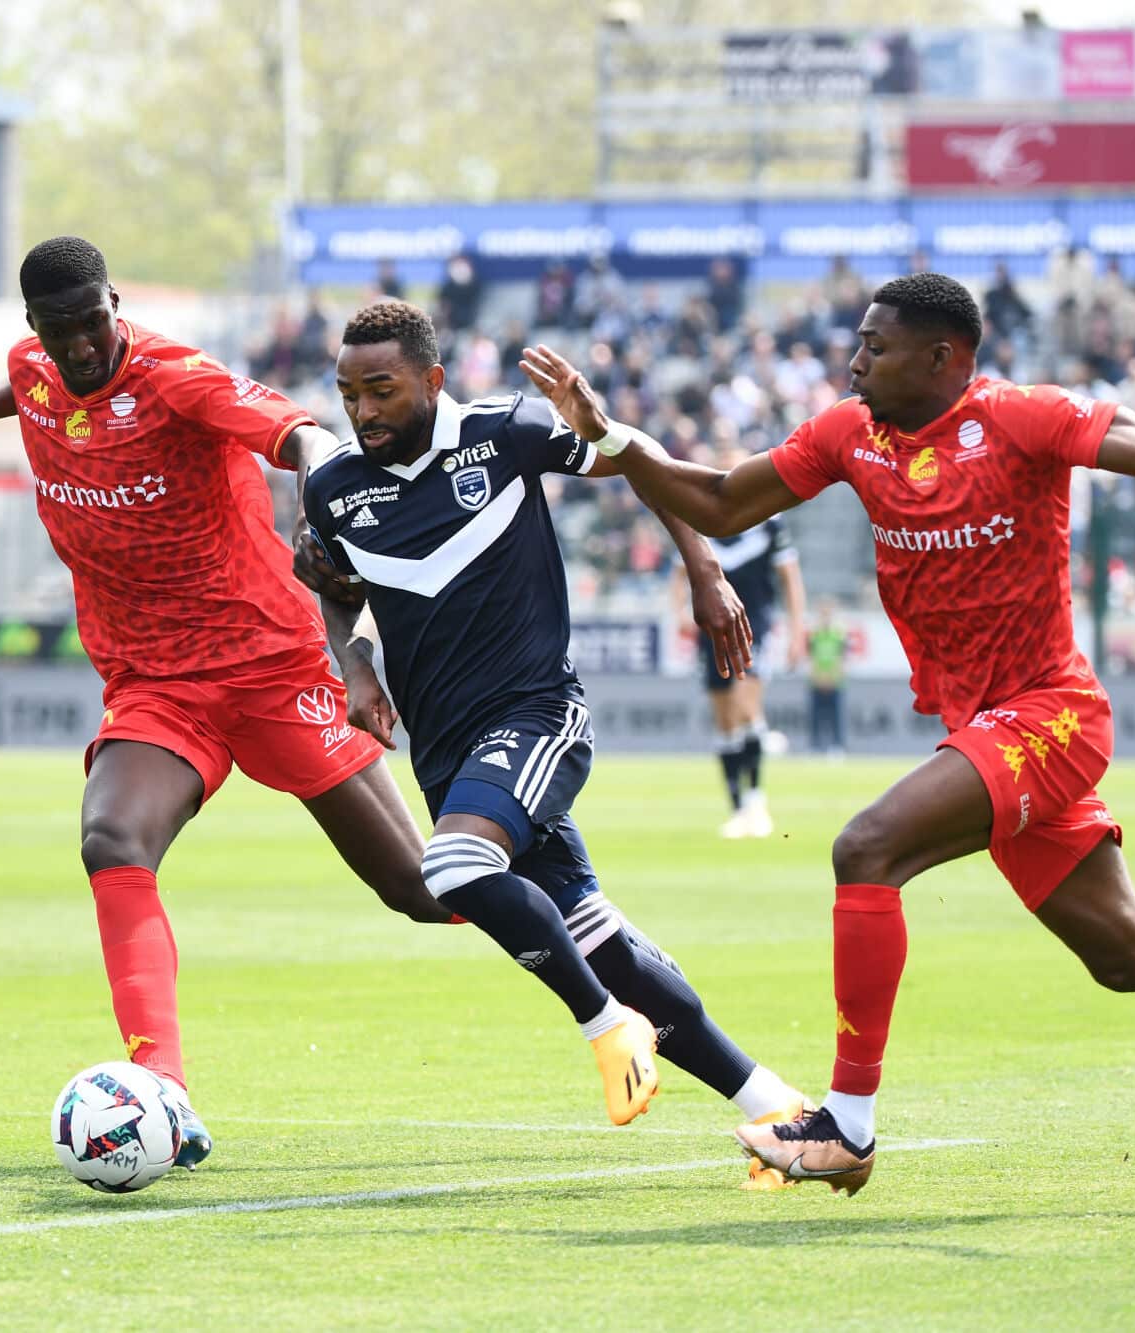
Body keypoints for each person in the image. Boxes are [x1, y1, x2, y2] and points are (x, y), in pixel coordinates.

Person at [521, 273, 1135, 1197]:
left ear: (943, 358)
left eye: (875, 349)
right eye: (857, 344)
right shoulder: (853, 432)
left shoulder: (1021, 417)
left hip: (1052, 714)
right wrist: (610, 436)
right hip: (988, 729)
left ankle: (848, 1124)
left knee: (868, 848)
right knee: (1130, 954)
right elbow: (721, 501)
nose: (853, 361)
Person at [0, 240, 752, 1169]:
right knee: (111, 840)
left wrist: (323, 500)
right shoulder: (36, 369)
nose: (82, 345)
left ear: (115, 302)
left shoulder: (177, 377)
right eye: (59, 329)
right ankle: (163, 1081)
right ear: (35, 329)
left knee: (426, 887)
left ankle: (600, 957)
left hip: (274, 664)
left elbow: (304, 435)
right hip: (155, 680)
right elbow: (42, 392)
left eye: (95, 322)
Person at [295, 300, 810, 1178]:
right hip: (447, 753)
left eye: (381, 390)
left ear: (433, 380)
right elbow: (335, 578)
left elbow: (642, 467)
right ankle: (778, 1107)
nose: (365, 411)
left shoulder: (507, 433)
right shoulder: (336, 486)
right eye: (349, 395)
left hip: (538, 716)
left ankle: (607, 1025)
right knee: (598, 937)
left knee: (453, 869)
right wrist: (357, 668)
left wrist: (703, 566)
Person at [672, 443, 806, 838]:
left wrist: (798, 628)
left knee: (747, 705)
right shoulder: (701, 518)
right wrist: (678, 613)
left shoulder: (769, 521)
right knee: (725, 717)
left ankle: (756, 801)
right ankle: (737, 807)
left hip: (754, 624)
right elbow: (680, 575)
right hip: (711, 625)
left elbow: (790, 578)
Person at [806, 597, 848, 757]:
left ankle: (837, 746)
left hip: (835, 681)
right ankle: (815, 746)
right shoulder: (814, 634)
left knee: (835, 716)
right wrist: (817, 676)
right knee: (815, 716)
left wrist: (833, 676)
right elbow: (810, 658)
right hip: (817, 681)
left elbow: (842, 658)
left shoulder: (838, 634)